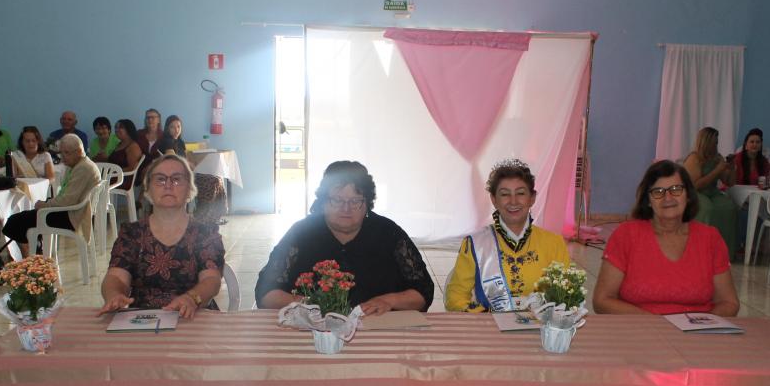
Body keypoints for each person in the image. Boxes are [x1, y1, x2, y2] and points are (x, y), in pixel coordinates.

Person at [256, 160, 433, 315]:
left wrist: (388, 301)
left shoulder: (388, 233)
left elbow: (423, 291)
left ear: (367, 203)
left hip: (378, 328)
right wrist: (309, 304)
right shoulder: (301, 233)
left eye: (355, 201)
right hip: (312, 330)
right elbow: (266, 293)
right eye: (337, 200)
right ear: (323, 201)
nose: (346, 208)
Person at [592, 160, 738, 316]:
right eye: (658, 192)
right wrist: (655, 323)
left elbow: (729, 303)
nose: (667, 197)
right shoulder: (626, 235)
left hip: (697, 329)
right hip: (641, 327)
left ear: (688, 195)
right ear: (648, 201)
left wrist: (702, 324)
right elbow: (602, 300)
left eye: (676, 189)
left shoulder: (710, 238)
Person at [98, 154, 224, 318]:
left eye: (177, 179)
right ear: (148, 190)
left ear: (189, 190)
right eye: (160, 179)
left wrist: (192, 298)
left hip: (194, 316)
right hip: (142, 320)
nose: (168, 185)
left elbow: (211, 280)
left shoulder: (206, 233)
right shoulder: (131, 233)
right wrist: (114, 294)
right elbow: (116, 277)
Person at [445, 159, 570, 312]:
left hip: (540, 325)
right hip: (490, 324)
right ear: (494, 200)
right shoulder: (475, 243)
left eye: (520, 193)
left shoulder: (554, 243)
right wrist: (484, 317)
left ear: (532, 198)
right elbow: (455, 297)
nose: (513, 201)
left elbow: (567, 296)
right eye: (505, 194)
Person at [1, 134, 99, 257]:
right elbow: (66, 196)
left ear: (79, 151)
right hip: (70, 210)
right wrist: (47, 203)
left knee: (16, 221)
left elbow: (67, 201)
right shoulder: (78, 164)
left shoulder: (83, 168)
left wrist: (45, 205)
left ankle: (31, 256)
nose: (63, 157)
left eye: (66, 153)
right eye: (61, 153)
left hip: (71, 215)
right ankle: (35, 250)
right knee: (23, 218)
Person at [153, 114, 227, 224]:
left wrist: (198, 169)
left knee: (216, 178)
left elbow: (187, 161)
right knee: (212, 181)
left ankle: (213, 217)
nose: (176, 130)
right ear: (167, 128)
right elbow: (174, 160)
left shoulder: (180, 142)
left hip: (186, 174)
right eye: (172, 127)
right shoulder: (167, 141)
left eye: (178, 126)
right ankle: (203, 217)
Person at [682, 126, 739, 259]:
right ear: (706, 142)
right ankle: (702, 251)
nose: (716, 145)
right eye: (714, 142)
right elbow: (695, 185)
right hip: (695, 193)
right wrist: (717, 170)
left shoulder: (717, 158)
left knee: (729, 208)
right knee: (707, 209)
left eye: (717, 142)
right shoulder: (694, 158)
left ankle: (723, 252)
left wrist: (731, 168)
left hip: (713, 192)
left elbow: (729, 182)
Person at [108, 119, 144, 190]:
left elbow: (132, 168)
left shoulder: (133, 146)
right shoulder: (119, 144)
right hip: (113, 176)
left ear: (128, 130)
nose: (117, 130)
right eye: (116, 127)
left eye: (120, 127)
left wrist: (114, 171)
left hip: (122, 179)